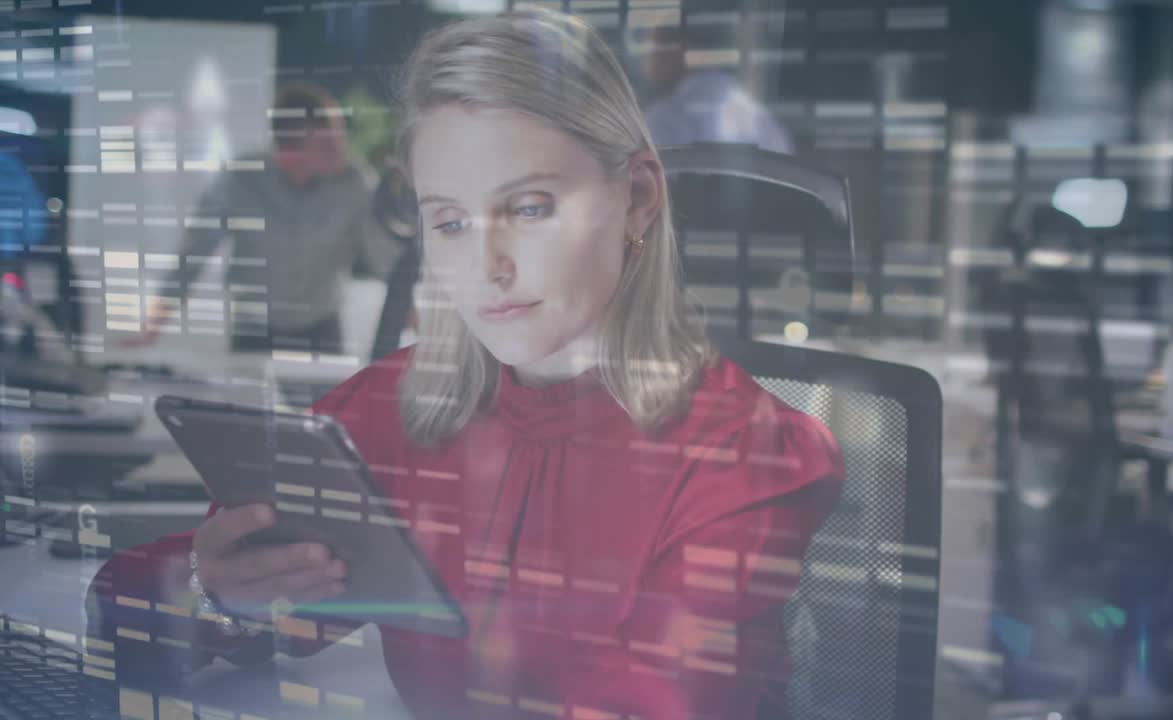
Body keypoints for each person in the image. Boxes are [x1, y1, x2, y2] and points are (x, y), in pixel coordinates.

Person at [87, 10, 842, 719]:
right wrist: (211, 593)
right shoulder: (384, 413)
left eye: (530, 207)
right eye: (449, 221)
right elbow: (121, 614)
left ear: (638, 198)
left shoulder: (745, 457)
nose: (486, 266)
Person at [130, 82, 400, 355]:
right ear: (291, 147)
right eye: (328, 142)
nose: (342, 148)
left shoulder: (353, 184)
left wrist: (409, 312)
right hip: (253, 331)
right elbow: (194, 252)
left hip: (321, 328)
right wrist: (154, 323)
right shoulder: (240, 180)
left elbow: (381, 252)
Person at [637, 15, 795, 154]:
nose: (644, 63)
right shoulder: (762, 119)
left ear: (680, 48)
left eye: (651, 48)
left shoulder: (662, 120)